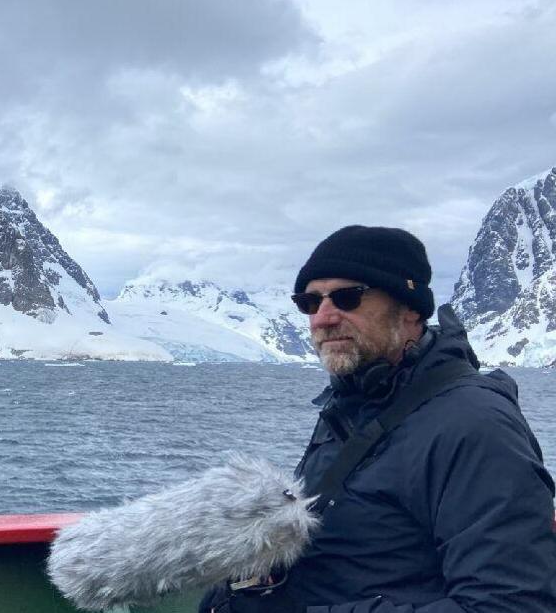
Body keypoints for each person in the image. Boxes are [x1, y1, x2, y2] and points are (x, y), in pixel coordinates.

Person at [202, 225, 556, 612]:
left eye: (347, 297)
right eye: (309, 302)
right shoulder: (354, 401)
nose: (322, 318)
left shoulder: (473, 425)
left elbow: (510, 603)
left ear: (409, 310)